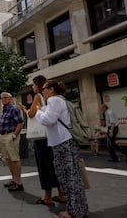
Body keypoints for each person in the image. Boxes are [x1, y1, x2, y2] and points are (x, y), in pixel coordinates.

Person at [35, 80, 89, 218]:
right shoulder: (61, 100)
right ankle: (80, 210)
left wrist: (37, 112)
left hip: (62, 143)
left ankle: (73, 212)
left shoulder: (54, 100)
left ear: (52, 89)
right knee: (73, 177)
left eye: (45, 88)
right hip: (66, 142)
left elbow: (48, 120)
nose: (43, 91)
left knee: (67, 178)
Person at [20, 75, 65, 206]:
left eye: (33, 85)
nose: (32, 87)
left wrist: (24, 109)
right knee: (53, 165)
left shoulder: (38, 96)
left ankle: (47, 196)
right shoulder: (51, 98)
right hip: (52, 136)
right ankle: (61, 193)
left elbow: (32, 114)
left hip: (41, 137)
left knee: (44, 165)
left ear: (38, 85)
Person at [0, 92, 25, 192]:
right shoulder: (4, 110)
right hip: (3, 135)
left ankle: (18, 182)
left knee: (14, 158)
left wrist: (14, 135)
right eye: (2, 98)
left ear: (10, 98)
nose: (3, 99)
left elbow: (21, 122)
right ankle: (14, 180)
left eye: (5, 97)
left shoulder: (13, 108)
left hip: (10, 135)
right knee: (8, 159)